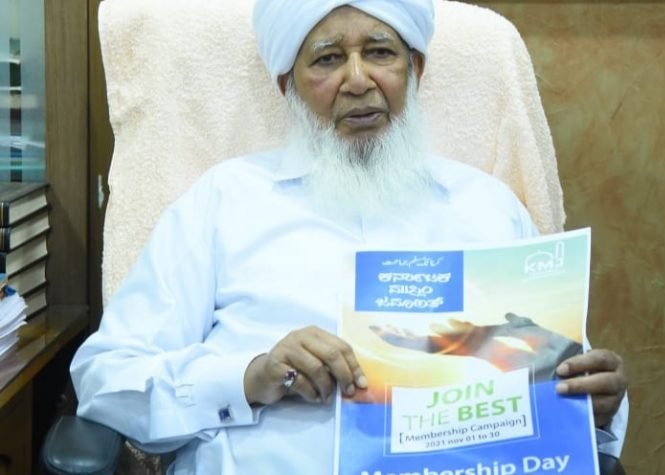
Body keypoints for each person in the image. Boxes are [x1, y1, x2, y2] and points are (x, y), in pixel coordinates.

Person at [71, 1, 629, 473]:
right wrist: (248, 377)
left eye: (381, 53)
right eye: (328, 59)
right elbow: (105, 378)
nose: (358, 80)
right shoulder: (222, 202)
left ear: (415, 69)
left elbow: (559, 378)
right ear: (288, 85)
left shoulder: (488, 208)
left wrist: (597, 404)